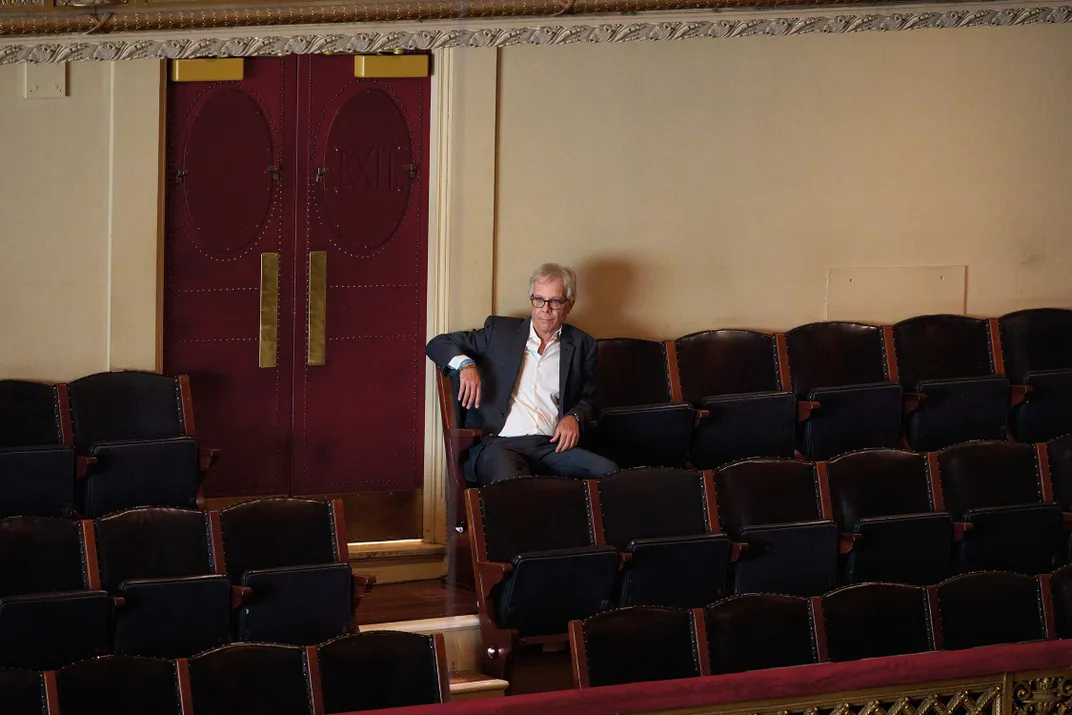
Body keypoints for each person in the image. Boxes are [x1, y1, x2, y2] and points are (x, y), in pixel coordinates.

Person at [426, 263, 618, 485]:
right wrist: (466, 366)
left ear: (569, 305)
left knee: (609, 473)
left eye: (555, 301)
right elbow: (438, 344)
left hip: (553, 446)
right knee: (518, 488)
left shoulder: (583, 344)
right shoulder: (500, 332)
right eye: (539, 300)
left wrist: (573, 417)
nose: (545, 308)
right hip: (500, 445)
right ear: (531, 300)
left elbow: (590, 398)